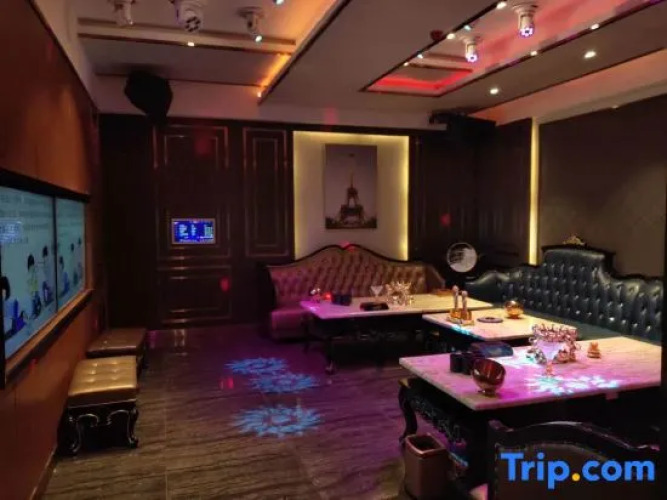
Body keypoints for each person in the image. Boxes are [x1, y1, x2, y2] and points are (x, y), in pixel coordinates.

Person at [27, 254, 42, 319]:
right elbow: (34, 279)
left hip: (33, 289)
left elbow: (31, 280)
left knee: (34, 302)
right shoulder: (33, 268)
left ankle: (35, 313)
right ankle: (35, 312)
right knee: (35, 301)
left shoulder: (31, 269)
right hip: (34, 289)